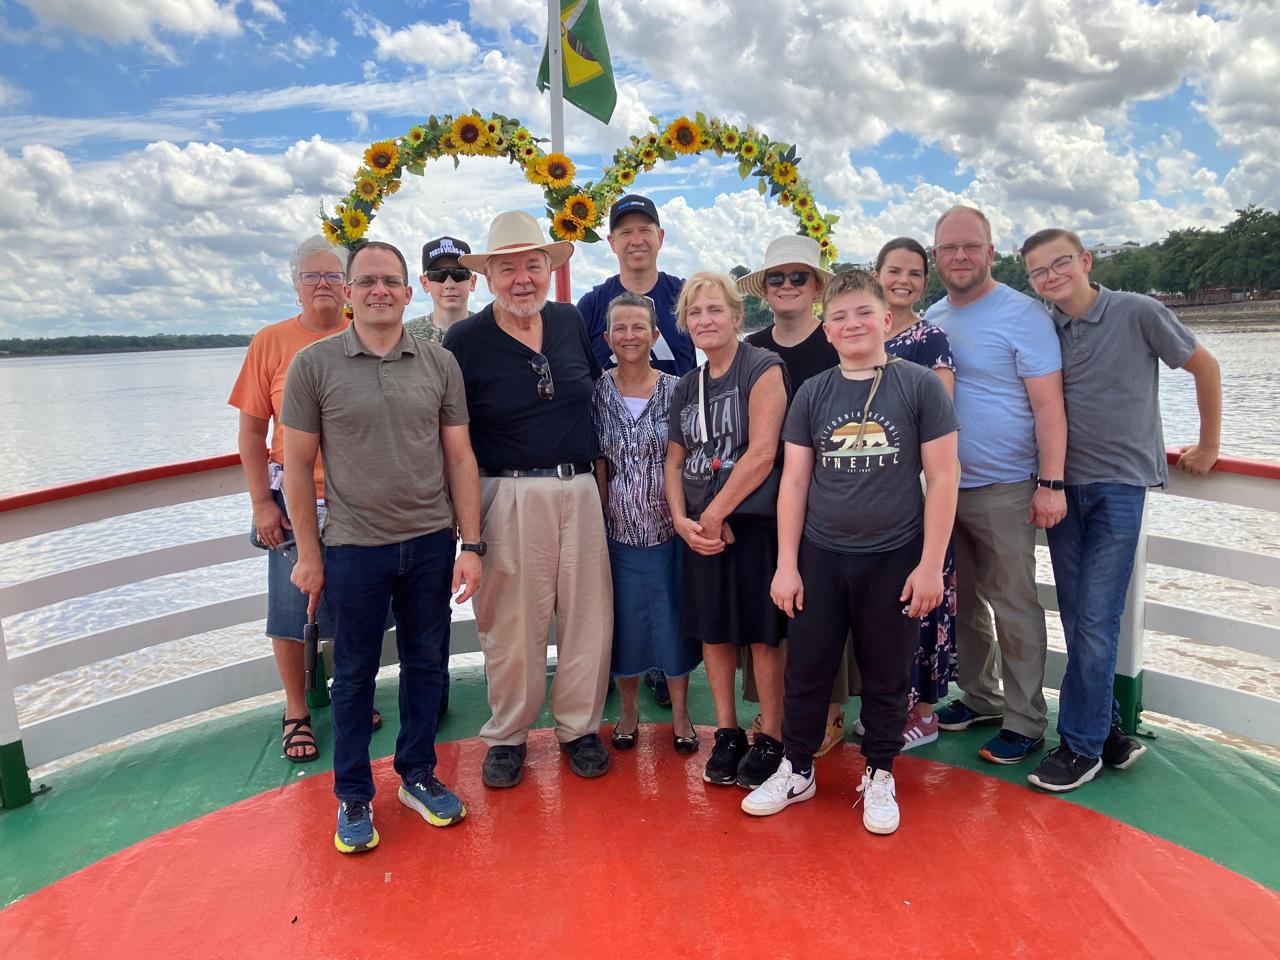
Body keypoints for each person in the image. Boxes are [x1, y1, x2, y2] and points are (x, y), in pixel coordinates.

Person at [282, 240, 483, 853]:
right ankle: (353, 795)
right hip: (353, 547)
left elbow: (459, 456)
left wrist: (471, 543)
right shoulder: (313, 366)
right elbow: (296, 467)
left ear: (408, 290)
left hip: (429, 542)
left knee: (426, 665)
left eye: (390, 281)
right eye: (367, 281)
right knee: (353, 676)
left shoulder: (438, 363)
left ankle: (417, 774)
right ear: (348, 292)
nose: (379, 291)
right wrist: (308, 554)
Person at [744, 269, 958, 834]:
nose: (852, 324)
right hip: (821, 554)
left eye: (863, 313)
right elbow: (794, 482)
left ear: (886, 319)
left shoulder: (919, 386)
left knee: (888, 673)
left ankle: (880, 771)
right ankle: (797, 768)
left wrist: (931, 565)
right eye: (838, 317)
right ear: (827, 329)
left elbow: (943, 477)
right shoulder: (813, 392)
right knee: (807, 668)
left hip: (895, 553)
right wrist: (786, 565)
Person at [1020, 227, 1222, 792]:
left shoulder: (1138, 312)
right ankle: (1106, 730)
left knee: (1096, 618)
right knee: (1078, 616)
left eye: (1060, 263)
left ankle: (1080, 748)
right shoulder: (1046, 328)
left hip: (1120, 487)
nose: (1052, 276)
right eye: (1038, 271)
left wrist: (1209, 445)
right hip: (1062, 487)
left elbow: (1205, 367)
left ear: (1084, 260)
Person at [445, 211, 614, 788]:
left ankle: (579, 728)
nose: (523, 279)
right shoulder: (464, 341)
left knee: (588, 617)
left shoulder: (569, 321)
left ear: (548, 269)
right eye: (509, 268)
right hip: (507, 490)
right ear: (488, 277)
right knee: (511, 624)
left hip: (580, 488)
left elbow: (598, 396)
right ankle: (509, 736)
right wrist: (468, 533)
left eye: (533, 265)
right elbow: (454, 441)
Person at [228, 235, 381, 763]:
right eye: (311, 276)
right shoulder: (270, 342)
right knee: (293, 609)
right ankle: (296, 709)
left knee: (359, 604)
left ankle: (352, 695)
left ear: (348, 286)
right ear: (296, 285)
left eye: (334, 276)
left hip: (362, 498)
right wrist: (260, 503)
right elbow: (252, 432)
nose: (323, 285)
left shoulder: (368, 333)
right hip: (295, 500)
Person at [924, 205, 1068, 766]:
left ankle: (1026, 719)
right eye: (949, 247)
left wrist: (1050, 482)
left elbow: (1049, 406)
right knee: (962, 603)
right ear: (937, 256)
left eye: (970, 246)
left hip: (1005, 485)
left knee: (1014, 604)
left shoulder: (1022, 314)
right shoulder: (934, 316)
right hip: (944, 488)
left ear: (990, 252)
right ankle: (982, 697)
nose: (960, 256)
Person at [664, 272, 789, 790]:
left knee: (762, 634)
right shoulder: (686, 386)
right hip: (701, 529)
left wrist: (716, 515)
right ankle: (727, 733)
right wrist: (681, 521)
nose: (705, 320)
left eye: (715, 309)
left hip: (752, 525)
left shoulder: (762, 367)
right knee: (713, 632)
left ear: (737, 316)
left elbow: (762, 453)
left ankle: (771, 737)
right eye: (695, 313)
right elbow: (674, 462)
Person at [737, 235, 848, 757]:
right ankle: (776, 711)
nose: (787, 286)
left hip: (828, 494)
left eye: (798, 276)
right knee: (772, 611)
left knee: (825, 608)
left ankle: (829, 710)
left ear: (816, 286)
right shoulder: (751, 349)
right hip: (763, 498)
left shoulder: (837, 342)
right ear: (764, 288)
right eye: (776, 278)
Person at [591, 291, 700, 753]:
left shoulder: (679, 389)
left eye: (639, 327)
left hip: (671, 531)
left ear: (655, 335)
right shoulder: (596, 392)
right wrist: (596, 523)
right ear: (607, 337)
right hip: (617, 532)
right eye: (620, 327)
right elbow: (598, 463)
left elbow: (694, 457)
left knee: (674, 624)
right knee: (626, 627)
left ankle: (681, 715)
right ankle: (629, 711)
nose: (629, 335)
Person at [872, 237, 958, 750]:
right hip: (872, 492)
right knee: (886, 600)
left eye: (914, 273)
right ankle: (891, 704)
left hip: (918, 485)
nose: (903, 281)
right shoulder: (862, 331)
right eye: (894, 271)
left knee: (923, 597)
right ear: (876, 274)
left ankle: (923, 712)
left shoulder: (930, 340)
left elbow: (940, 413)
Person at [576, 193, 696, 376]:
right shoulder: (591, 306)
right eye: (626, 232)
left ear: (660, 237)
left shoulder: (687, 296)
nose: (637, 241)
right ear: (612, 242)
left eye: (645, 230)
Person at [407, 235, 476, 342]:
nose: (449, 284)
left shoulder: (491, 332)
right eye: (438, 275)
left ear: (472, 282)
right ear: (425, 283)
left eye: (459, 273)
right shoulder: (406, 336)